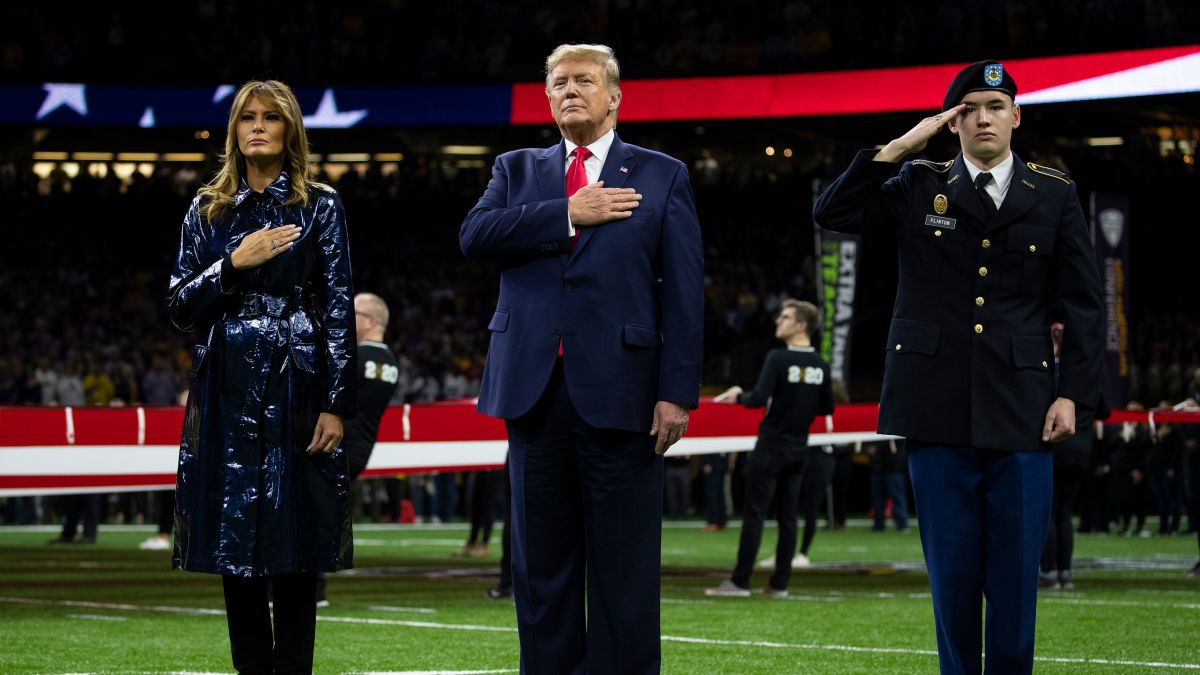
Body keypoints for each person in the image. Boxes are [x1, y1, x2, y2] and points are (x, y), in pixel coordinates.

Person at [813, 60, 1103, 674]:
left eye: (995, 106)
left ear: (1016, 117)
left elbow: (1083, 303)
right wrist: (903, 143)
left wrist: (1073, 393)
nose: (983, 118)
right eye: (968, 108)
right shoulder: (917, 182)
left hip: (1025, 408)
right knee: (951, 576)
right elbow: (833, 213)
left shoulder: (1052, 192)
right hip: (934, 403)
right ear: (952, 122)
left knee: (1017, 578)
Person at [460, 43, 703, 673]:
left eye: (585, 81)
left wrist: (677, 391)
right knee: (541, 568)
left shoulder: (661, 173)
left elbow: (683, 292)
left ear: (614, 95)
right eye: (559, 82)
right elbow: (474, 235)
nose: (570, 90)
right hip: (533, 394)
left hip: (624, 392)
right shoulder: (515, 170)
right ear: (547, 96)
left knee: (623, 567)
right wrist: (565, 212)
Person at [167, 79, 356, 675]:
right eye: (246, 117)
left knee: (298, 541)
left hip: (298, 383)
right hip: (225, 385)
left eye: (270, 118)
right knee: (234, 539)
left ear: (289, 129)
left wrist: (336, 402)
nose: (257, 126)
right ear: (234, 131)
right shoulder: (206, 209)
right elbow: (177, 306)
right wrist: (232, 263)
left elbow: (337, 303)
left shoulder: (320, 204)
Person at [706, 299, 833, 598]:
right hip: (799, 447)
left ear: (802, 325)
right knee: (788, 517)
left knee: (755, 514)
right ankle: (780, 584)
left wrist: (738, 394)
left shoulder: (778, 358)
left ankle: (740, 581)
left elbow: (758, 398)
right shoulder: (821, 366)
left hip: (771, 445)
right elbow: (827, 407)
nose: (778, 320)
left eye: (786, 316)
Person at [314, 291, 399, 607]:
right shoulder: (391, 363)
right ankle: (315, 587)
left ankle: (313, 587)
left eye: (355, 314)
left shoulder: (354, 358)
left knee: (313, 515)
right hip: (361, 449)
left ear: (373, 321)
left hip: (335, 444)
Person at [1040, 323, 1111, 590]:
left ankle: (1048, 571)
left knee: (1049, 512)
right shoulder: (1084, 375)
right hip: (1081, 451)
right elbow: (1104, 411)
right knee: (1064, 512)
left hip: (1055, 448)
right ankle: (1065, 571)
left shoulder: (1047, 372)